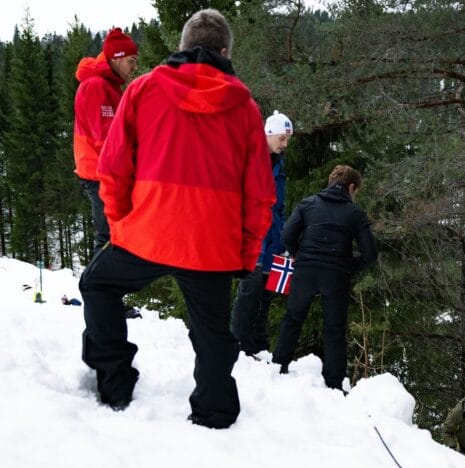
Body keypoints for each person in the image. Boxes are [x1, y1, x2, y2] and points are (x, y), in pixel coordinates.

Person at [78, 8, 275, 429]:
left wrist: (119, 225)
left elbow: (111, 170)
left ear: (183, 46)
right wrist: (244, 257)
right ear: (223, 51)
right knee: (212, 336)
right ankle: (216, 414)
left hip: (146, 236)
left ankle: (114, 385)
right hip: (211, 247)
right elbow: (260, 195)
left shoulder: (143, 89)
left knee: (97, 285)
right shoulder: (245, 108)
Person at [271, 165, 377, 390]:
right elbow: (370, 254)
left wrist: (301, 255)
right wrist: (348, 266)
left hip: (305, 270)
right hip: (336, 275)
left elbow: (287, 235)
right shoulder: (355, 214)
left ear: (330, 182)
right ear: (350, 187)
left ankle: (278, 366)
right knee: (334, 329)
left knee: (293, 319)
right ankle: (334, 383)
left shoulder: (308, 204)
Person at [231, 110, 293, 358]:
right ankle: (236, 342)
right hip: (252, 237)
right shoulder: (249, 157)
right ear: (268, 134)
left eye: (288, 139)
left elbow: (279, 206)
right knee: (248, 291)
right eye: (282, 138)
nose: (285, 144)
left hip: (274, 238)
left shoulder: (280, 164)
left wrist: (283, 240)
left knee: (266, 294)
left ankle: (257, 345)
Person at [73, 27, 138, 251]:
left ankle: (107, 285)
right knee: (108, 238)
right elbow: (106, 139)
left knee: (116, 235)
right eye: (131, 61)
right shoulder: (96, 86)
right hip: (99, 173)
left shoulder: (109, 85)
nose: (134, 68)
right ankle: (96, 286)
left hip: (105, 171)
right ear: (116, 58)